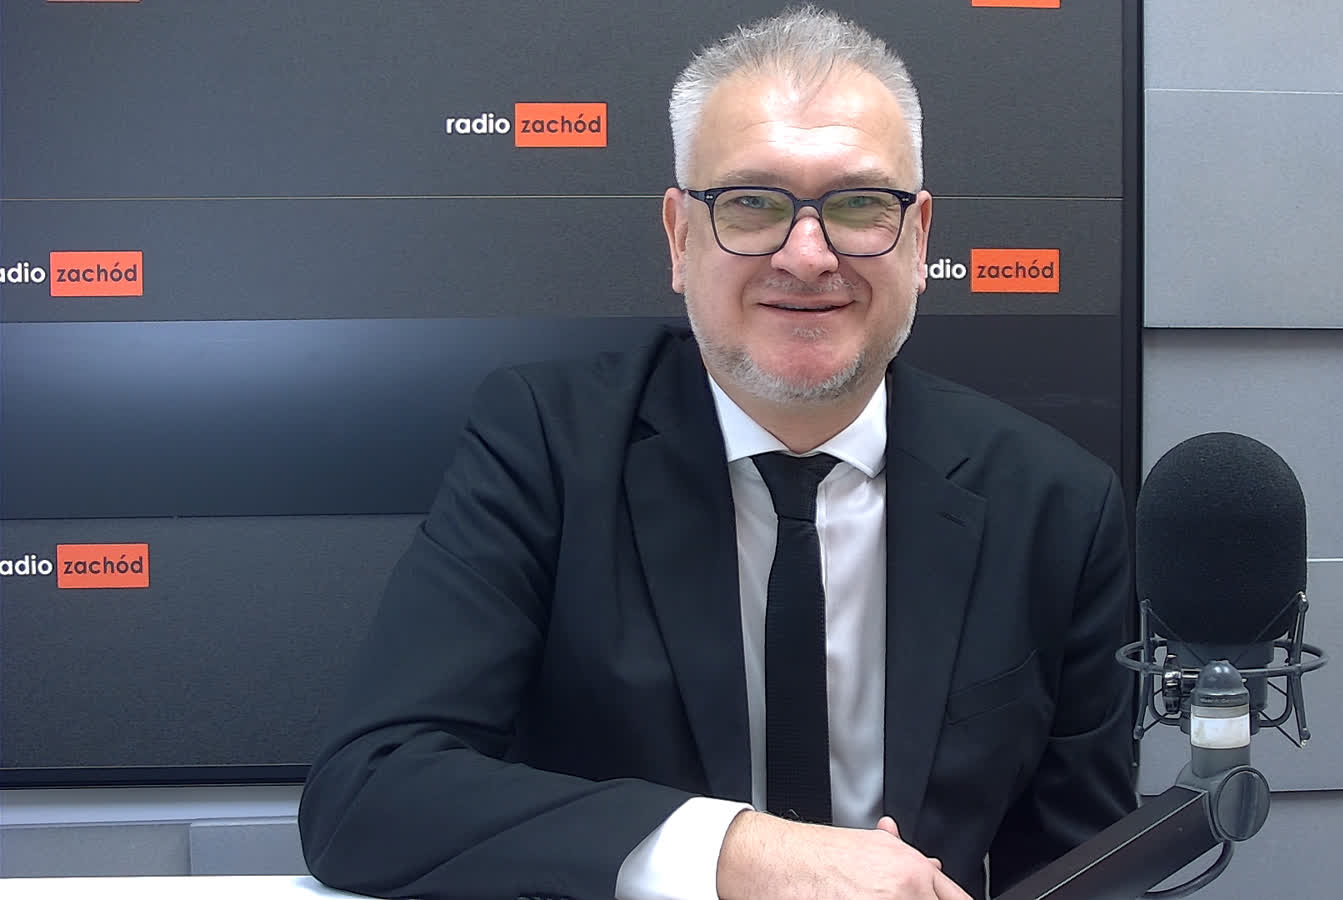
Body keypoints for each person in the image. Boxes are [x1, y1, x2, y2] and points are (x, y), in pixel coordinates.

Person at [298, 6, 1135, 899]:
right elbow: (369, 795)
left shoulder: (1057, 505)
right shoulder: (545, 448)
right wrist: (739, 853)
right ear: (679, 237)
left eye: (859, 205)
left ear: (920, 238)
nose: (807, 256)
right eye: (751, 203)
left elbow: (1082, 871)